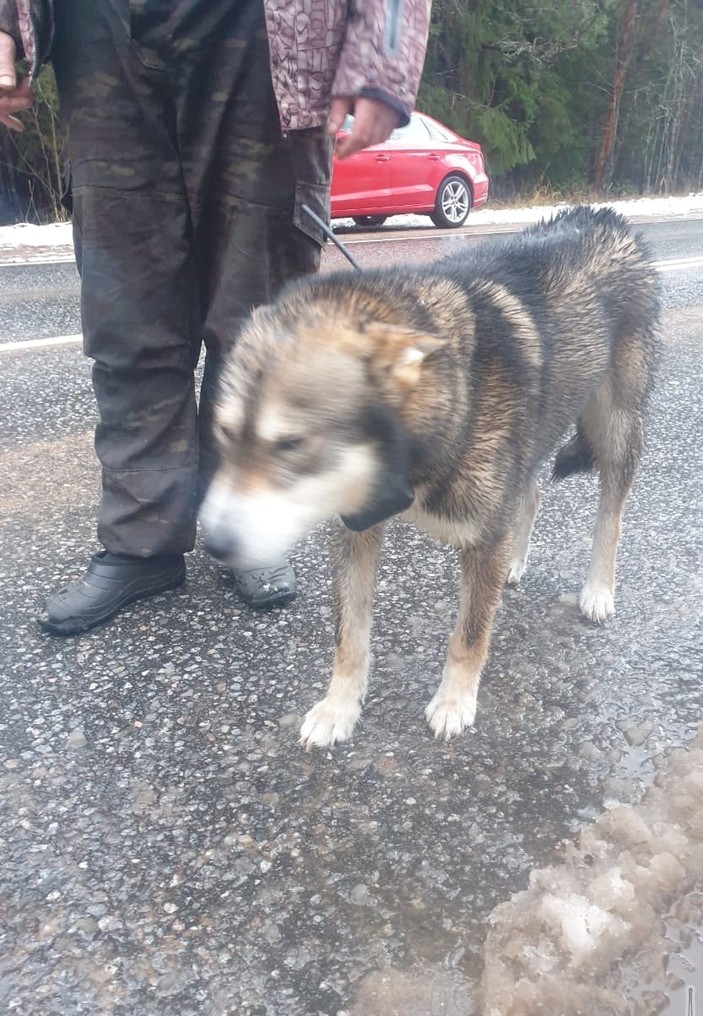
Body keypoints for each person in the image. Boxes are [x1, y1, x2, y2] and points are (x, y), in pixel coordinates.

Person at [0, 0, 431, 635]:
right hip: (102, 35)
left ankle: (249, 529)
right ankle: (139, 543)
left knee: (257, 331)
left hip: (261, 37)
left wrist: (383, 56)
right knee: (128, 322)